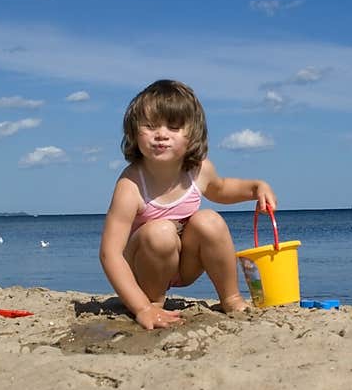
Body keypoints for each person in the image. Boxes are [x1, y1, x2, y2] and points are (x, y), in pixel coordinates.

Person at [99, 79, 277, 330]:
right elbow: (110, 253)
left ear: (191, 134)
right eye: (150, 126)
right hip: (144, 268)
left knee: (210, 220)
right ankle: (153, 303)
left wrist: (256, 187)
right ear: (133, 132)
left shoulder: (198, 170)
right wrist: (141, 307)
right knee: (159, 232)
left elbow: (222, 189)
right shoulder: (131, 185)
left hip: (185, 264)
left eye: (173, 127)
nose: (161, 134)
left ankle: (231, 298)